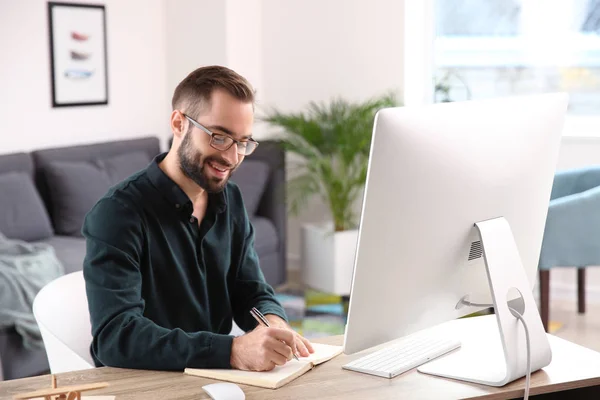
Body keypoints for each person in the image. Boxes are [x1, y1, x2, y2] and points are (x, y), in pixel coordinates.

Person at [82, 65, 314, 372]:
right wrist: (231, 351)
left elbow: (251, 289)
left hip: (212, 378)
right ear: (179, 123)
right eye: (219, 137)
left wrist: (272, 321)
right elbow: (116, 338)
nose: (232, 158)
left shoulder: (230, 200)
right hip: (142, 383)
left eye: (243, 142)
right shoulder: (117, 214)